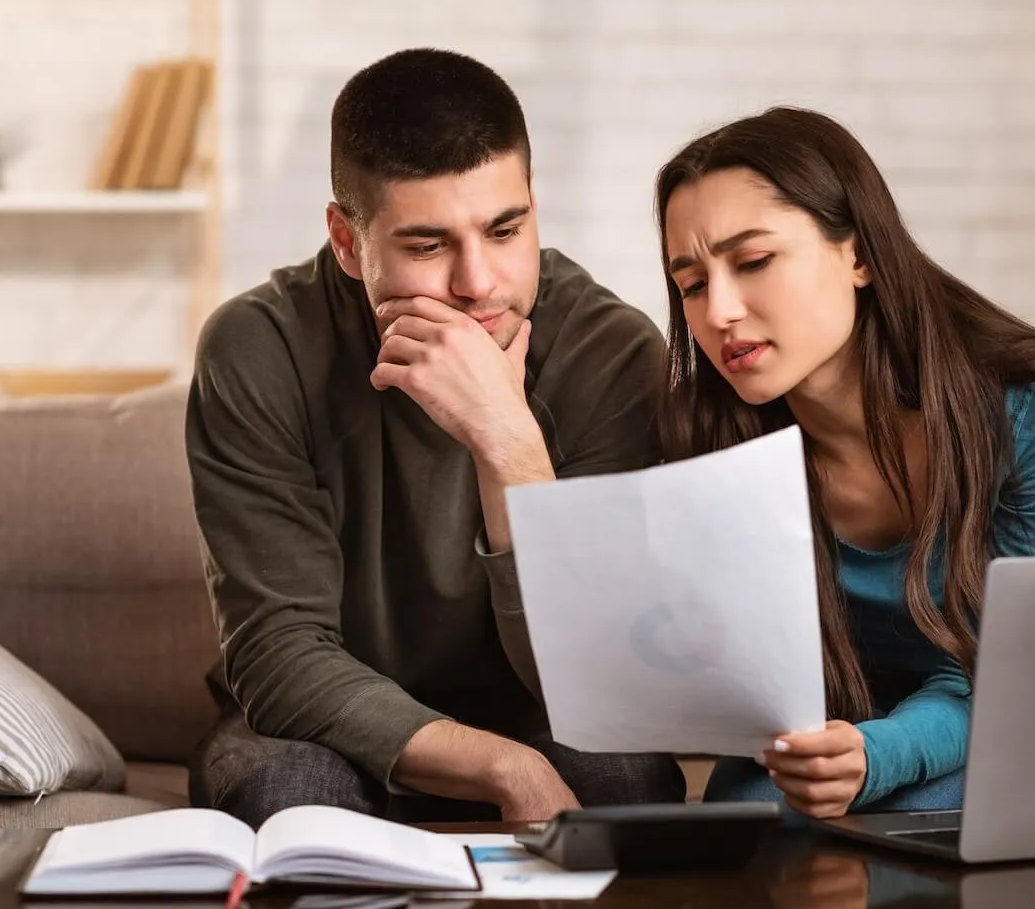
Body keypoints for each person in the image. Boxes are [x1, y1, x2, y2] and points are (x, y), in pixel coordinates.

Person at [183, 47, 685, 828]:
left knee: (624, 781)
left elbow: (591, 681)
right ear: (349, 242)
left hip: (536, 707)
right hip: (328, 723)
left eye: (505, 229)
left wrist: (506, 442)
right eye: (427, 246)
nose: (478, 282)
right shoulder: (259, 347)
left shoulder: (611, 351)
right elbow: (280, 658)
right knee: (287, 797)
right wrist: (499, 767)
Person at [651, 106, 1035, 817]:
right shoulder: (710, 431)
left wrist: (880, 753)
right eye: (692, 284)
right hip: (830, 746)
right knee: (742, 814)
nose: (720, 313)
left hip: (1007, 729)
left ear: (858, 254)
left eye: (753, 261)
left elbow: (1011, 678)